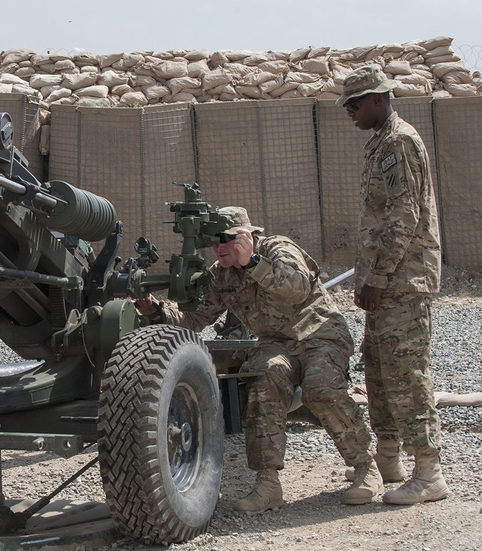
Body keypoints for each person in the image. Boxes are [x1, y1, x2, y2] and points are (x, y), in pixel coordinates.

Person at [136, 207, 382, 513]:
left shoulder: (278, 248)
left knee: (320, 388)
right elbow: (197, 317)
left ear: (247, 236)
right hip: (275, 343)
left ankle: (364, 467)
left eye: (226, 239)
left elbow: (297, 288)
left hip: (319, 335)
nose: (219, 247)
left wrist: (252, 262)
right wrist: (158, 310)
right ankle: (268, 484)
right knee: (262, 379)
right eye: (214, 241)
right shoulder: (221, 275)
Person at [337, 64, 450, 505]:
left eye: (355, 103)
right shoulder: (380, 143)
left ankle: (429, 473)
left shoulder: (399, 142)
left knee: (406, 373)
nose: (349, 111)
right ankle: (389, 458)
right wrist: (367, 277)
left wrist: (378, 277)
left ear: (379, 99)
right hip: (385, 280)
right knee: (379, 372)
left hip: (403, 280)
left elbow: (407, 216)